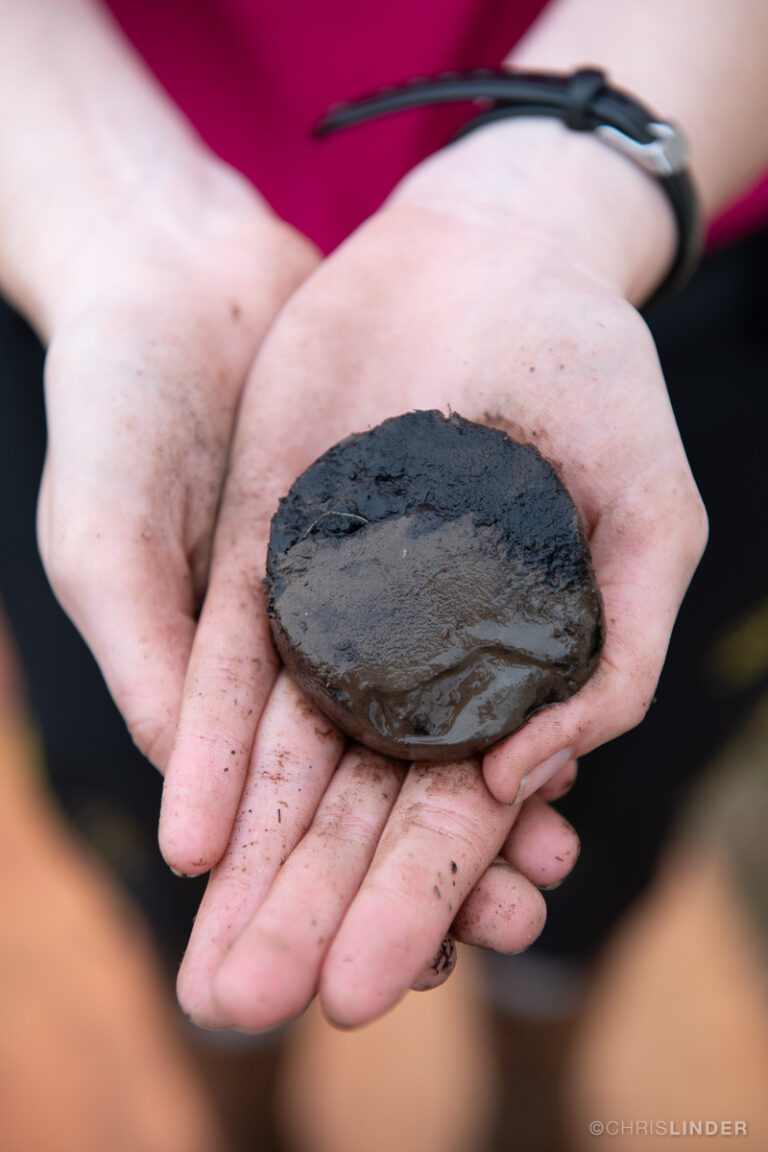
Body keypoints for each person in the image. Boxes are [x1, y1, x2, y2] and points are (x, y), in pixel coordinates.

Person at [0, 0, 766, 1036]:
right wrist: (107, 216)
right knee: (173, 824)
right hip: (76, 199)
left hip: (650, 232)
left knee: (617, 802)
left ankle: (538, 1076)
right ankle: (244, 1097)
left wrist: (559, 192)